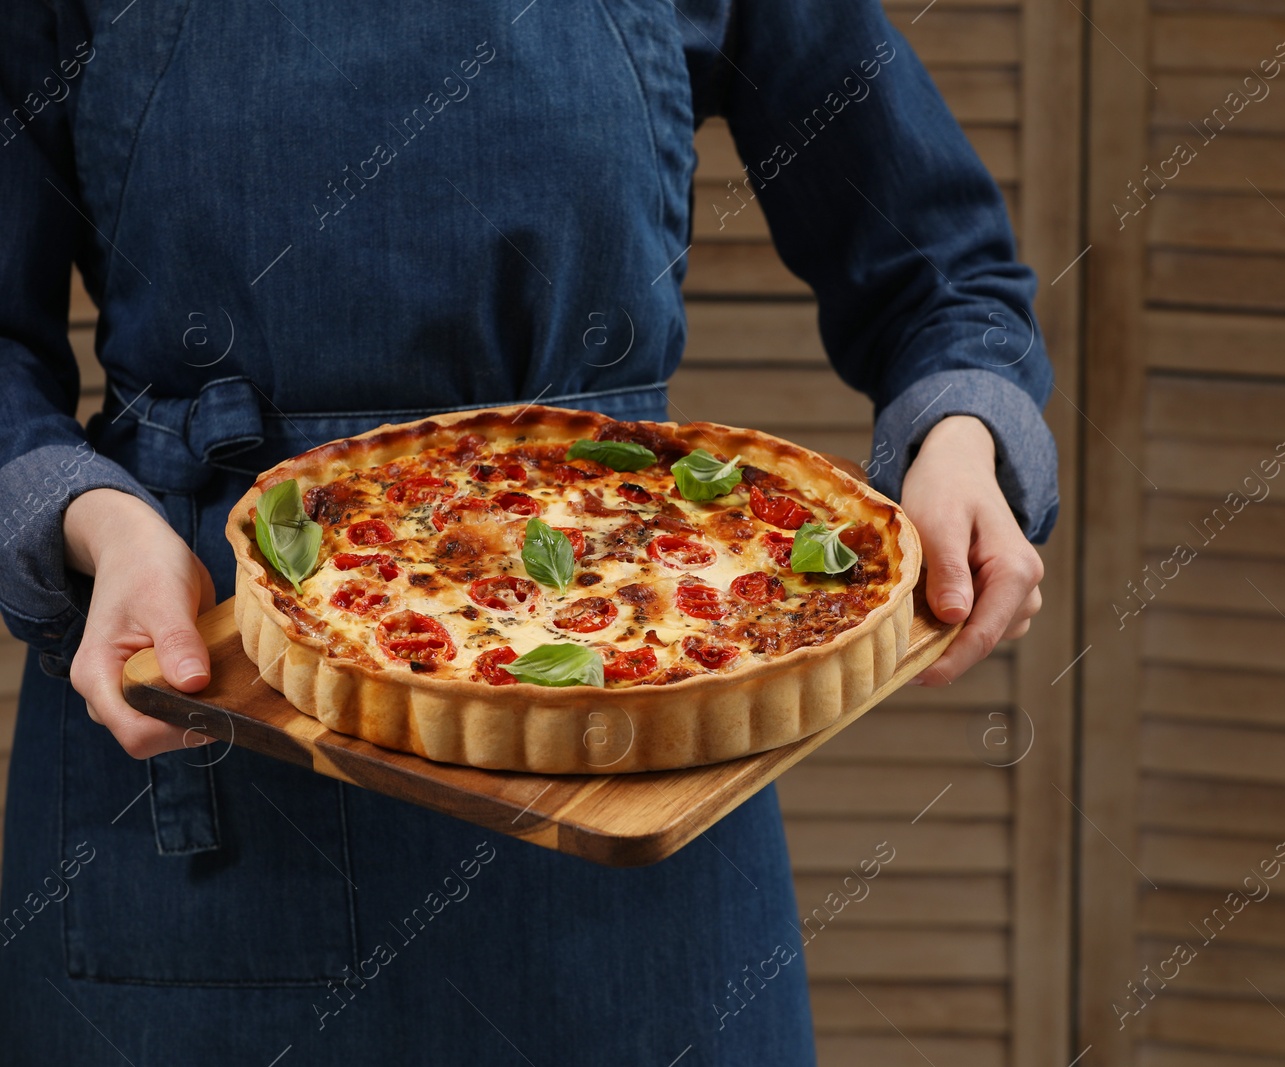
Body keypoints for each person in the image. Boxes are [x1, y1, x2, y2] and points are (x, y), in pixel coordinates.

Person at [0, 0, 1057, 1061]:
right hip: (212, 684)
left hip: (644, 718)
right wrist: (91, 517)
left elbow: (945, 270)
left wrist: (960, 435)